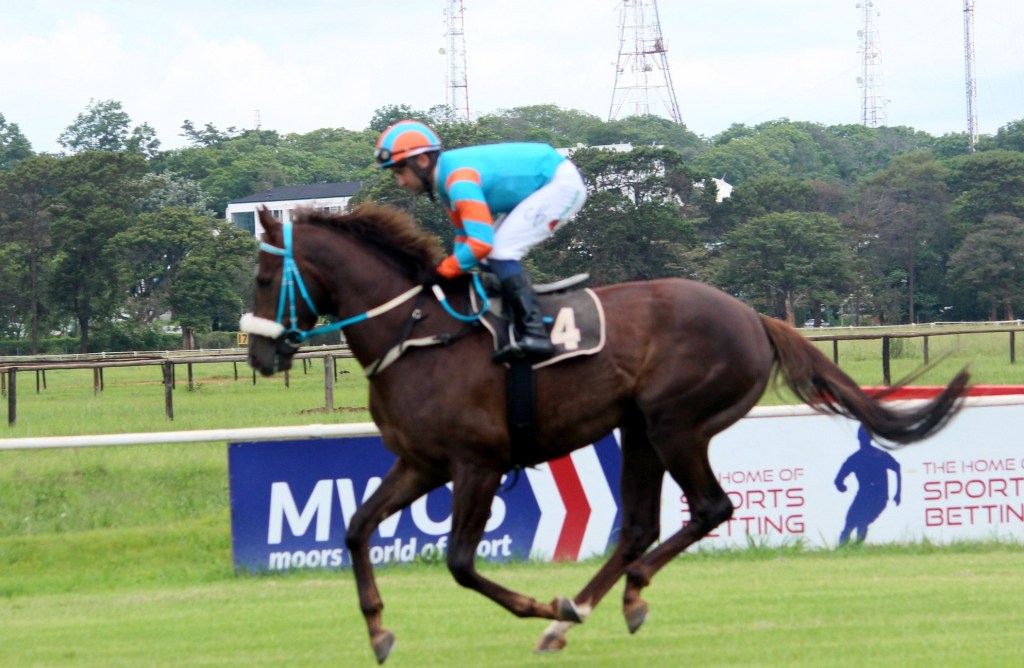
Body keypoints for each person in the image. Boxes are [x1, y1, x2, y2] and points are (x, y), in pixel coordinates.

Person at [374, 119, 587, 363]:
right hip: (542, 183)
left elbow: (480, 242)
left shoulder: (458, 180)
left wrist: (442, 272)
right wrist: (449, 274)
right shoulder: (445, 183)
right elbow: (464, 236)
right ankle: (505, 322)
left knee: (500, 252)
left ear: (422, 161)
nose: (399, 182)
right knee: (489, 257)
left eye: (400, 172)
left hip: (559, 184)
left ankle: (535, 334)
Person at [834, 425, 902, 545]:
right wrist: (841, 485)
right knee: (849, 524)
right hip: (863, 496)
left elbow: (897, 467)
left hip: (879, 497)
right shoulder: (855, 458)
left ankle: (856, 547)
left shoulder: (880, 455)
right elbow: (838, 479)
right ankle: (843, 549)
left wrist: (897, 493)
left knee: (861, 522)